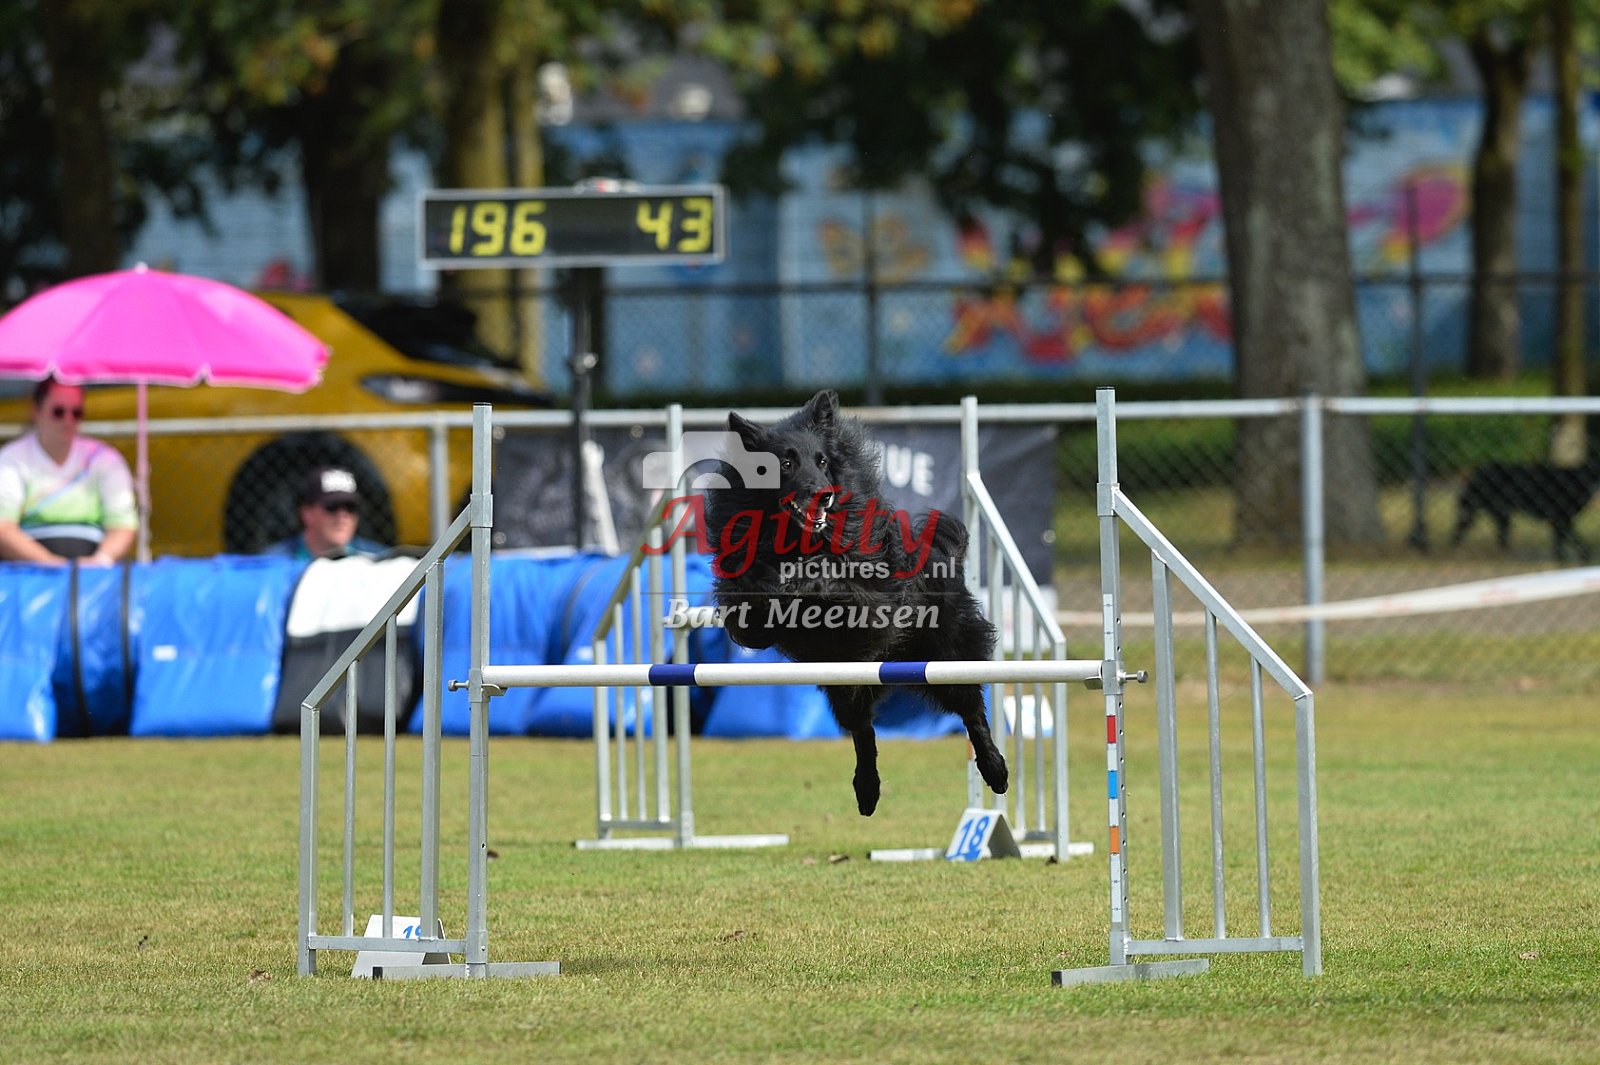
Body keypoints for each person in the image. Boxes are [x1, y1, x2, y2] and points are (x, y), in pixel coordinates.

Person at [0, 377, 138, 565]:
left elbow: (123, 525)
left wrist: (100, 561)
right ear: (36, 411)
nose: (68, 420)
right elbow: (3, 528)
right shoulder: (11, 459)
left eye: (77, 413)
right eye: (58, 412)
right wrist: (53, 565)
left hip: (93, 573)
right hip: (29, 575)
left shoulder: (106, 459)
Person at [262, 465, 386, 560]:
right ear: (307, 514)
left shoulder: (377, 560)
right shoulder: (273, 562)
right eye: (332, 507)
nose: (342, 516)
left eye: (350, 507)